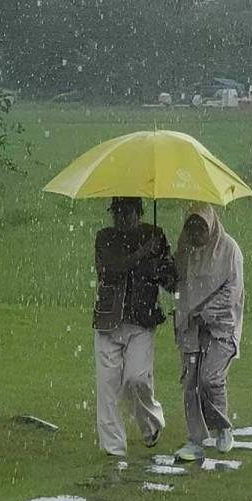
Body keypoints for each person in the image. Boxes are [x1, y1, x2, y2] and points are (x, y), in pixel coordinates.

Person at [92, 196, 175, 458]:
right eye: (118, 212)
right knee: (107, 388)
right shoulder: (104, 237)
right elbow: (110, 269)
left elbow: (171, 280)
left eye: (128, 212)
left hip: (142, 319)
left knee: (136, 379)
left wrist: (157, 261)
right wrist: (141, 253)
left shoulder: (155, 235)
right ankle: (113, 450)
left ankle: (150, 425)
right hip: (108, 320)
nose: (123, 217)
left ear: (139, 212)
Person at [166, 203, 245, 463]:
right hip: (190, 325)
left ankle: (222, 427)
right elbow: (175, 280)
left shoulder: (229, 250)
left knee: (210, 378)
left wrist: (207, 310)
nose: (196, 232)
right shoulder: (185, 250)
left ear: (211, 225)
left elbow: (232, 292)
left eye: (201, 226)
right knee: (191, 383)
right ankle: (196, 439)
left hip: (221, 326)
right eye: (191, 226)